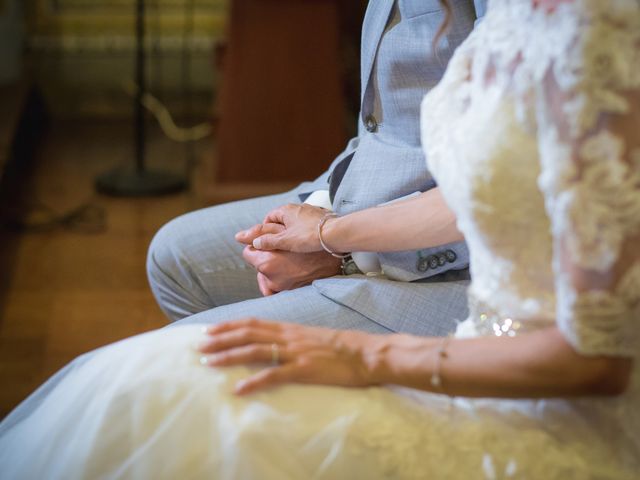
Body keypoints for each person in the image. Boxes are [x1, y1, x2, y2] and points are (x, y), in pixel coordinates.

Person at [1, 0, 639, 478]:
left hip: (515, 356)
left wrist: (356, 337)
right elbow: (415, 135)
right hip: (455, 274)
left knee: (176, 380)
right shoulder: (519, 16)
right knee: (155, 377)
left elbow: (596, 357)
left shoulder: (598, 34)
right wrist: (320, 217)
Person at [146, 0, 486, 338]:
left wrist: (343, 250)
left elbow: (500, 195)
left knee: (180, 352)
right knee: (175, 258)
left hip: (462, 270)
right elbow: (387, 127)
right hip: (368, 208)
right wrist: (317, 209)